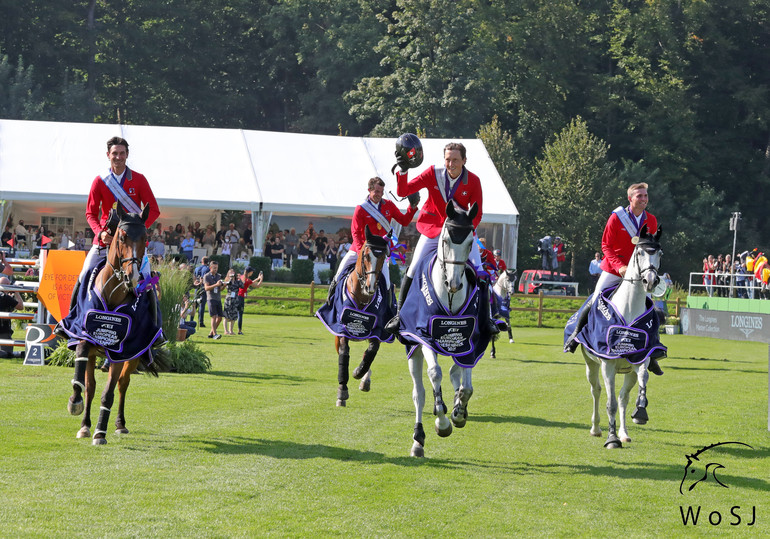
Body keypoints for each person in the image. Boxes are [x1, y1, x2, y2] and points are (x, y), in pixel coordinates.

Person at [385, 141, 497, 335]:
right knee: (412, 268)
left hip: (460, 234)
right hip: (432, 229)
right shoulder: (432, 173)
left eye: (455, 160)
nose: (451, 164)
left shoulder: (473, 181)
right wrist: (403, 171)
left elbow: (476, 214)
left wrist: (465, 232)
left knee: (480, 271)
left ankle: (487, 320)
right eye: (447, 159)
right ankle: (399, 316)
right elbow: (404, 192)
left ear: (464, 160)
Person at [564, 182, 663, 375]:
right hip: (612, 269)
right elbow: (606, 246)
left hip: (638, 273)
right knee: (595, 299)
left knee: (650, 308)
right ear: (630, 198)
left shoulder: (651, 220)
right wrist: (620, 267)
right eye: (639, 196)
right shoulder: (617, 218)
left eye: (645, 196)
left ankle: (652, 351)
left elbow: (650, 248)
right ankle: (574, 335)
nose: (643, 199)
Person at [80, 136, 160, 282]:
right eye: (115, 153)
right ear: (108, 155)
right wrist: (100, 233)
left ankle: (155, 306)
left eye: (122, 153)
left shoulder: (139, 179)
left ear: (127, 155)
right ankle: (75, 306)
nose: (118, 157)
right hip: (106, 239)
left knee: (148, 281)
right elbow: (90, 213)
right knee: (83, 275)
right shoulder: (99, 181)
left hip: (133, 242)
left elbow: (154, 210)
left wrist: (137, 229)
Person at [329, 176, 418, 302]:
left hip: (380, 251)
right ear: (369, 190)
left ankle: (390, 310)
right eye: (376, 191)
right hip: (360, 250)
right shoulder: (361, 208)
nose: (379, 195)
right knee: (338, 274)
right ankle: (330, 302)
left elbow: (404, 221)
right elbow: (355, 233)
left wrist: (412, 207)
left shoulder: (389, 205)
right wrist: (362, 252)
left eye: (381, 192)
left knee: (387, 284)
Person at [0, 276, 23, 358]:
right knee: (7, 354)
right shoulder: (6, 297)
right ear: (7, 285)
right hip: (4, 330)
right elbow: (20, 306)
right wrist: (17, 292)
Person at [235, 267, 263, 335]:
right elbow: (257, 285)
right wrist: (261, 279)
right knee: (240, 315)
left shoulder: (241, 277)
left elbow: (251, 282)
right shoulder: (248, 280)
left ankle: (229, 330)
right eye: (252, 272)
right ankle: (239, 330)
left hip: (236, 297)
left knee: (234, 314)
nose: (252, 273)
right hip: (241, 298)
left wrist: (258, 278)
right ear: (249, 272)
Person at [203, 259, 225, 339]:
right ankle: (215, 334)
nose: (216, 269)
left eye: (216, 268)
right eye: (214, 268)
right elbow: (206, 288)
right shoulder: (207, 276)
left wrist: (224, 285)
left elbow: (220, 289)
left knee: (220, 317)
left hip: (218, 298)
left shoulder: (218, 276)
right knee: (214, 316)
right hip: (211, 298)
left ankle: (211, 333)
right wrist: (216, 284)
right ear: (210, 268)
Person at [222, 268, 241, 336]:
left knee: (234, 316)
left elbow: (242, 286)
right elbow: (227, 285)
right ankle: (226, 330)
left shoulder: (237, 281)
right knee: (227, 315)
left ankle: (231, 330)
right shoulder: (227, 280)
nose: (232, 274)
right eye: (231, 273)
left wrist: (239, 279)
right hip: (229, 299)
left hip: (235, 299)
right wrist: (230, 279)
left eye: (233, 272)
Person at [193, 256, 210, 328]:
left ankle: (191, 319)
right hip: (203, 287)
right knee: (202, 305)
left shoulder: (197, 268)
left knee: (194, 304)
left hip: (197, 287)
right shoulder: (207, 269)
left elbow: (194, 277)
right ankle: (201, 321)